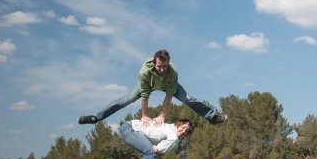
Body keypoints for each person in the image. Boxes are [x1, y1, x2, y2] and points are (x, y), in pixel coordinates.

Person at [77, 49, 227, 126]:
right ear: (154, 63)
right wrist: (144, 115)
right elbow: (145, 96)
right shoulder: (144, 72)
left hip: (167, 84)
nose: (162, 69)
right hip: (148, 84)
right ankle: (97, 118)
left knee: (187, 98)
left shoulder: (172, 72)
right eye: (160, 66)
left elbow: (168, 97)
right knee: (125, 100)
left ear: (169, 63)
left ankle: (212, 117)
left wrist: (162, 115)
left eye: (165, 66)